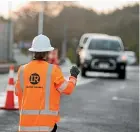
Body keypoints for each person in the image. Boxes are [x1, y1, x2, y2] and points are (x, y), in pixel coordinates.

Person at [15, 34, 80, 132]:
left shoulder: (22, 70)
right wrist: (73, 77)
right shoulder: (53, 70)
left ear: (33, 51)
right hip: (46, 126)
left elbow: (17, 91)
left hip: (25, 126)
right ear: (48, 52)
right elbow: (68, 89)